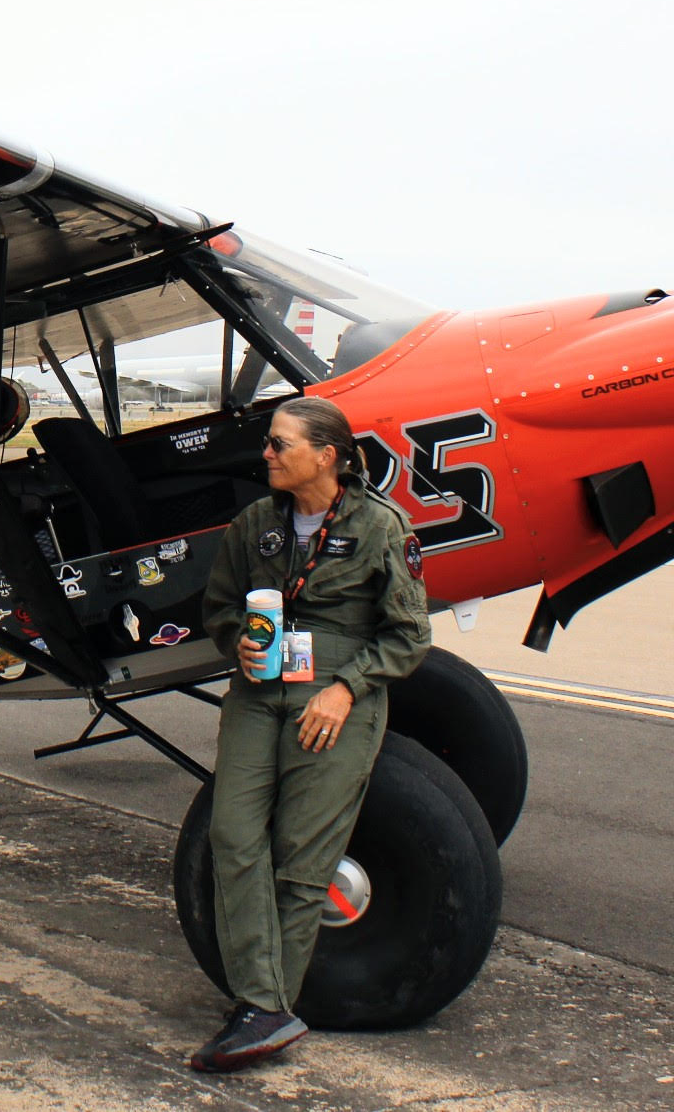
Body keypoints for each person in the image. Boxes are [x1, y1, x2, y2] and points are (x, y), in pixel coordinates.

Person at [190, 396, 432, 1073]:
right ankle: (263, 1001)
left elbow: (408, 633)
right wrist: (238, 640)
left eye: (279, 444)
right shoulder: (252, 525)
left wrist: (344, 688)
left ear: (326, 455)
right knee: (233, 835)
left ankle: (261, 1004)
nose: (265, 454)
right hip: (257, 689)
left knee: (300, 855)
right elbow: (217, 607)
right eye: (269, 443)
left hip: (333, 694)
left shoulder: (381, 526)